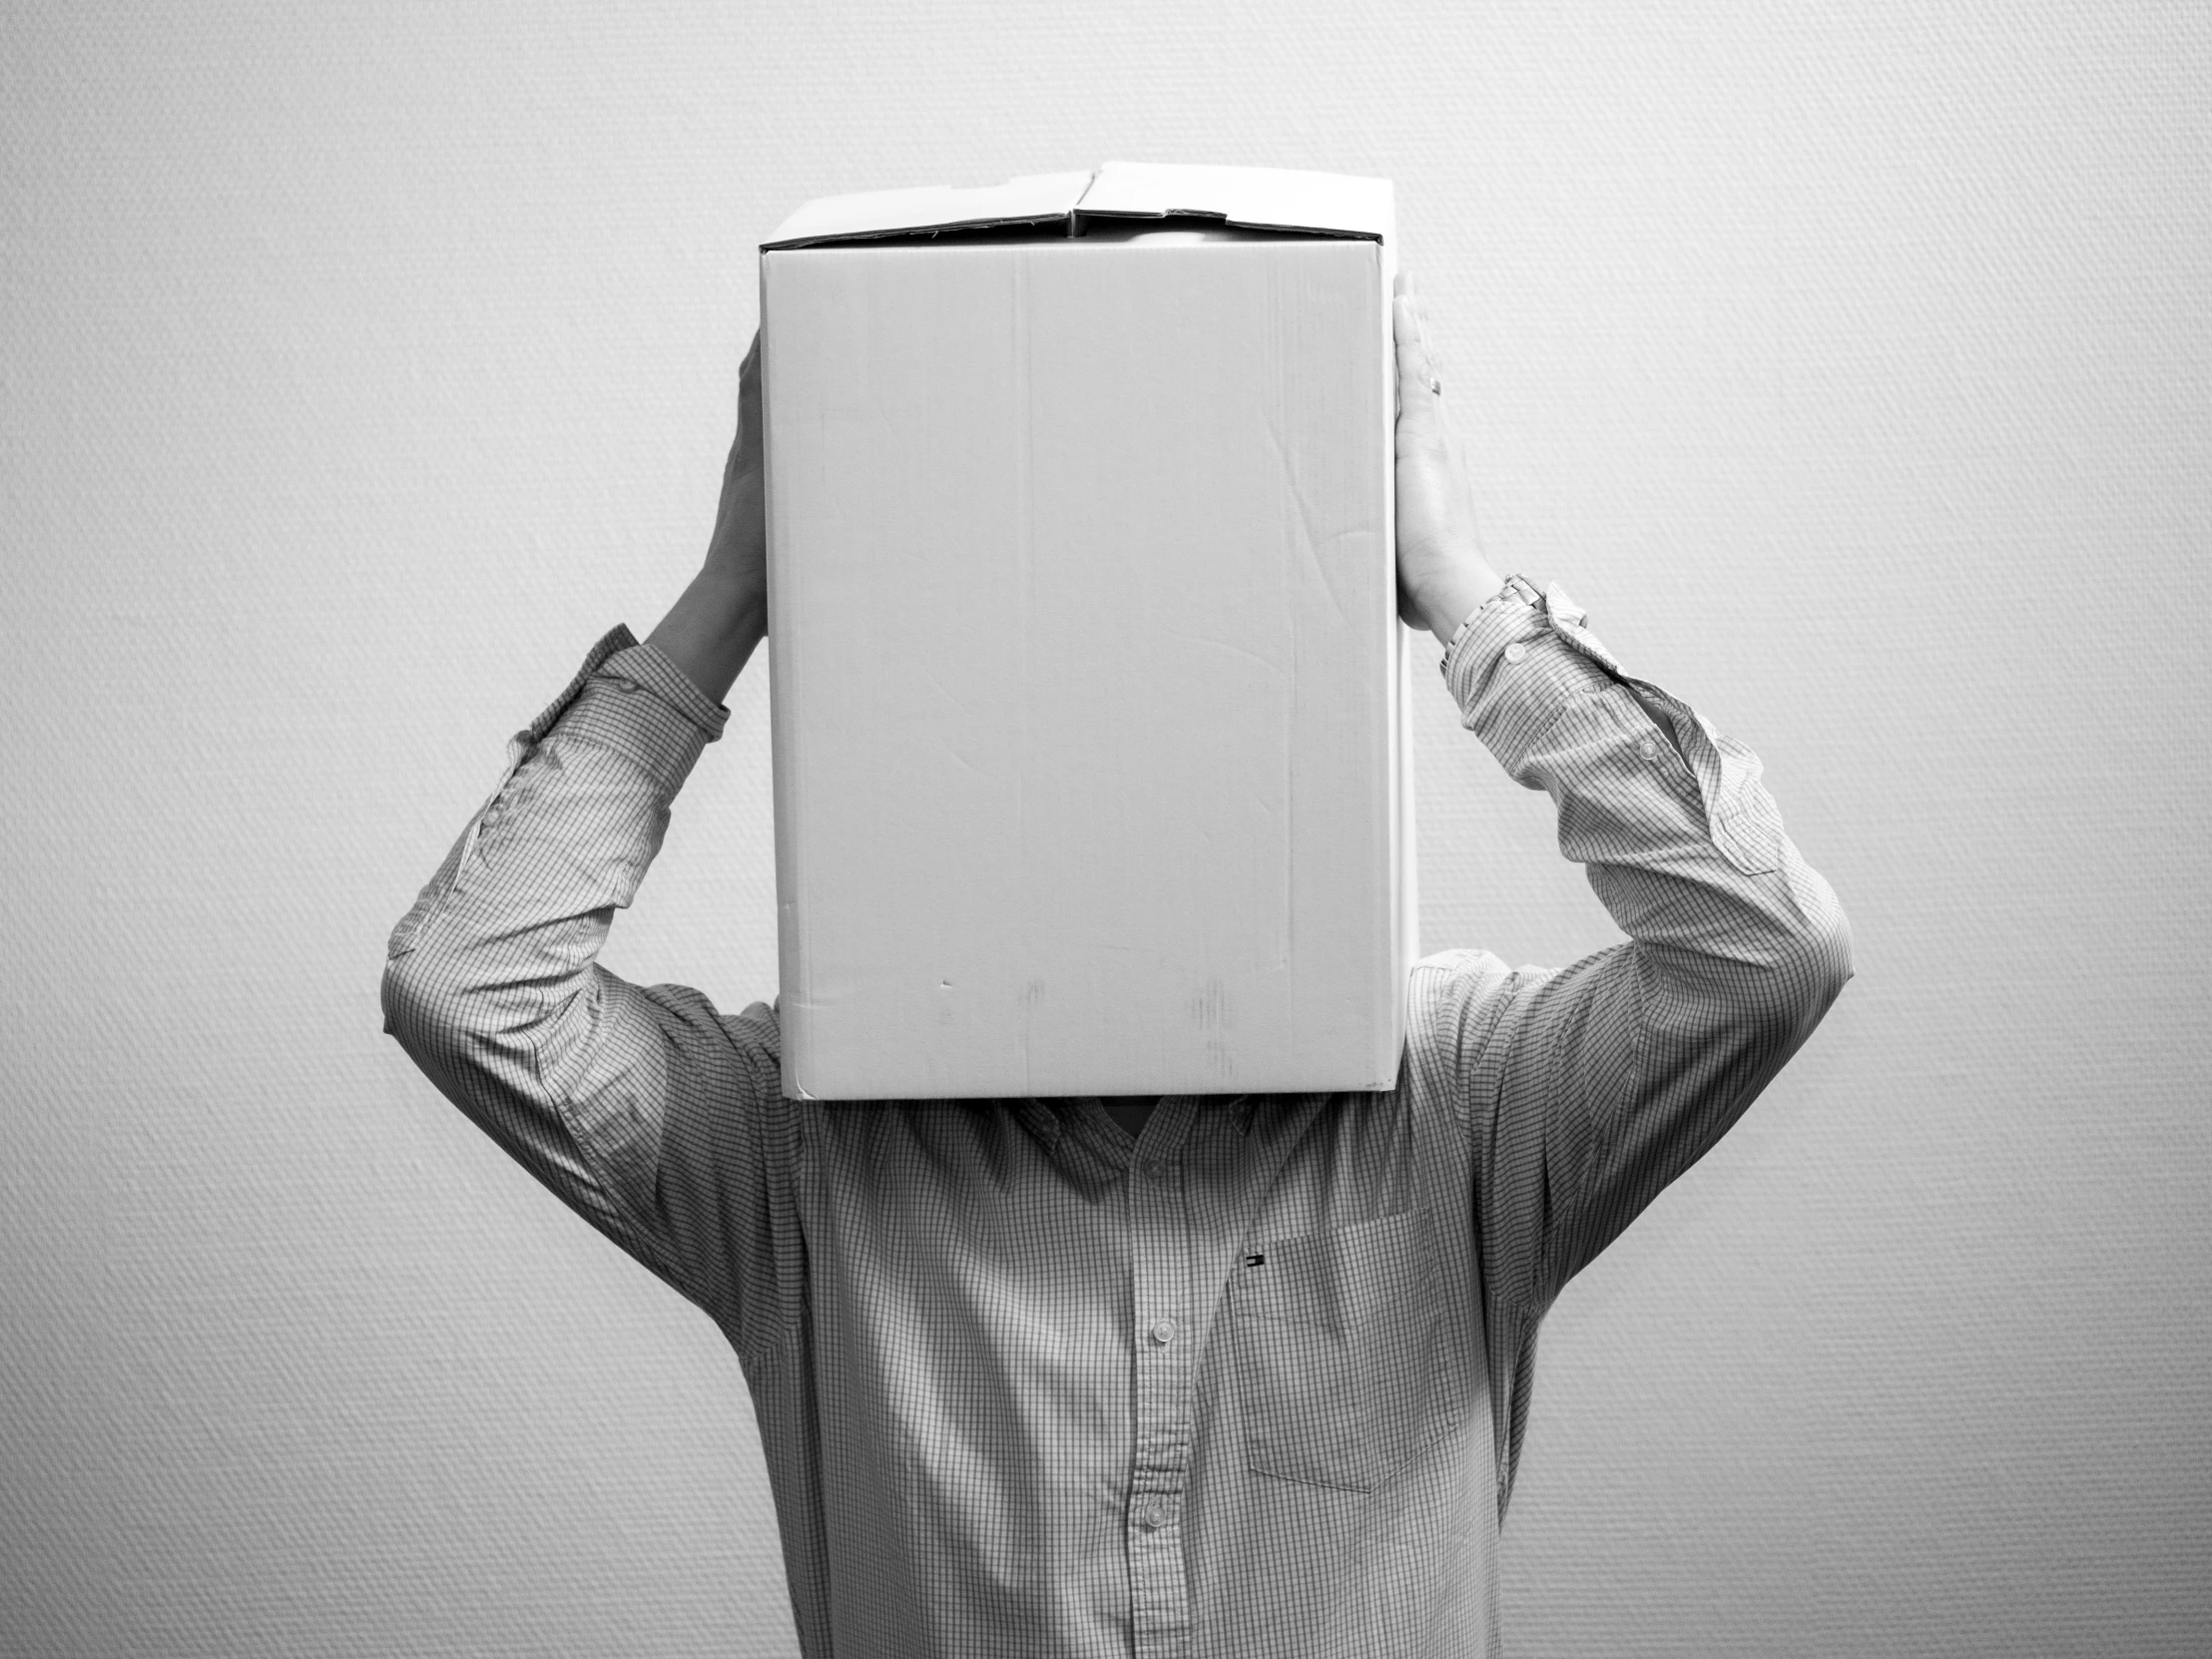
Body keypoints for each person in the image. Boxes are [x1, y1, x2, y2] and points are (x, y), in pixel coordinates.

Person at [382, 283, 1851, 1659]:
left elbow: (1764, 952)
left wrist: (1453, 581)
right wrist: (738, 586)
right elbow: (468, 985)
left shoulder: (1456, 1092)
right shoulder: (796, 1141)